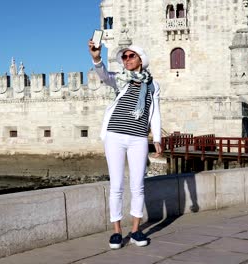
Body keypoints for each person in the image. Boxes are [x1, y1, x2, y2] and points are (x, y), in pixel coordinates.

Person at [88, 40, 162, 249]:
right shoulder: (120, 80)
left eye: (131, 56)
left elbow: (154, 113)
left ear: (141, 60)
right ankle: (117, 232)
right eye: (124, 57)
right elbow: (104, 75)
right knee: (117, 186)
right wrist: (96, 57)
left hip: (138, 138)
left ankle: (136, 230)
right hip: (115, 136)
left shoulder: (153, 85)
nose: (127, 60)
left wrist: (157, 139)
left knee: (138, 185)